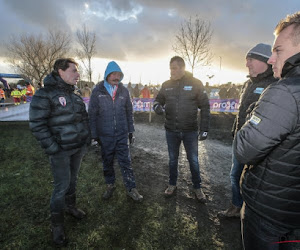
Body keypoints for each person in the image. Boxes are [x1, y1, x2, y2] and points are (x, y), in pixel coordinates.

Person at [234, 12, 300, 250]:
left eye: (278, 50)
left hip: (270, 211)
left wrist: (256, 110)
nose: (273, 59)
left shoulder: (283, 91)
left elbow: (244, 149)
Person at [29, 58, 90, 247]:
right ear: (60, 71)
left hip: (77, 148)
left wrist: (86, 140)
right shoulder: (44, 94)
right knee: (61, 186)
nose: (78, 74)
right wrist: (53, 148)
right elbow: (37, 124)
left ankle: (71, 207)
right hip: (60, 151)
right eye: (74, 70)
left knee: (73, 181)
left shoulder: (75, 94)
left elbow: (83, 119)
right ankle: (57, 226)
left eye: (77, 71)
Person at [219, 43, 275, 218]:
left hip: (261, 147)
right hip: (241, 140)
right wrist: (235, 130)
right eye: (246, 60)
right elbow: (242, 112)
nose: (247, 64)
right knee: (235, 175)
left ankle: (251, 214)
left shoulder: (275, 85)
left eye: (250, 59)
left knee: (255, 183)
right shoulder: (247, 84)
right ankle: (236, 206)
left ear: (265, 61)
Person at [153, 56, 210, 202]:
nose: (171, 71)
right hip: (171, 130)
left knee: (193, 160)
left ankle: (197, 187)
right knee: (173, 160)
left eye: (174, 68)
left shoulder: (196, 83)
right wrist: (157, 106)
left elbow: (205, 106)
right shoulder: (166, 85)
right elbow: (158, 100)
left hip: (190, 131)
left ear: (182, 68)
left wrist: (204, 129)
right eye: (170, 68)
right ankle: (172, 185)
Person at [89, 61, 143, 202]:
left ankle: (131, 188)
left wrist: (130, 131)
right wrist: (94, 135)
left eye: (118, 75)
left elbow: (129, 112)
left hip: (121, 134)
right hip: (105, 135)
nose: (116, 77)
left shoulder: (124, 91)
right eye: (113, 74)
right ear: (107, 75)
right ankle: (110, 185)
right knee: (107, 162)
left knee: (126, 162)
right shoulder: (97, 91)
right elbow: (92, 114)